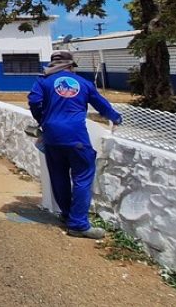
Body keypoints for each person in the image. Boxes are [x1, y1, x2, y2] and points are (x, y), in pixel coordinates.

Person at [28, 50, 122, 239]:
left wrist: (43, 120)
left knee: (59, 175)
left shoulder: (43, 82)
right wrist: (116, 118)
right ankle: (78, 224)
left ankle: (67, 214)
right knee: (83, 176)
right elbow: (101, 105)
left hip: (52, 137)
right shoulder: (84, 83)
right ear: (71, 66)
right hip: (76, 137)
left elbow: (34, 101)